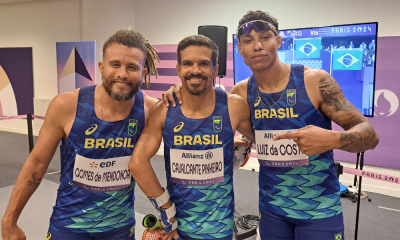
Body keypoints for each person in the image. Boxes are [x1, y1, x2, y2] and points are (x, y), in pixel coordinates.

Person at [163, 10, 379, 240]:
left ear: (278, 41)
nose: (257, 46)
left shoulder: (314, 81)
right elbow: (205, 102)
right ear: (240, 49)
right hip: (272, 211)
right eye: (248, 41)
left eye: (265, 37)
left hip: (320, 209)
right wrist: (179, 90)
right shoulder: (241, 93)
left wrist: (332, 139)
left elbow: (370, 134)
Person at [1, 29, 160, 240]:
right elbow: (37, 162)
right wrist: (9, 221)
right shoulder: (66, 105)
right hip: (69, 225)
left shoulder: (151, 111)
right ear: (102, 68)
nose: (122, 74)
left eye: (132, 67)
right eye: (115, 65)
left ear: (143, 71)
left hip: (120, 229)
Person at [129, 35, 255, 240]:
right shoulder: (164, 110)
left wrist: (241, 145)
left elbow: (262, 137)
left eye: (204, 63)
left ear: (215, 69)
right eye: (188, 63)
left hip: (219, 228)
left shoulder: (234, 106)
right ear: (178, 69)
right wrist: (166, 210)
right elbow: (137, 163)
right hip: (178, 228)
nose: (195, 70)